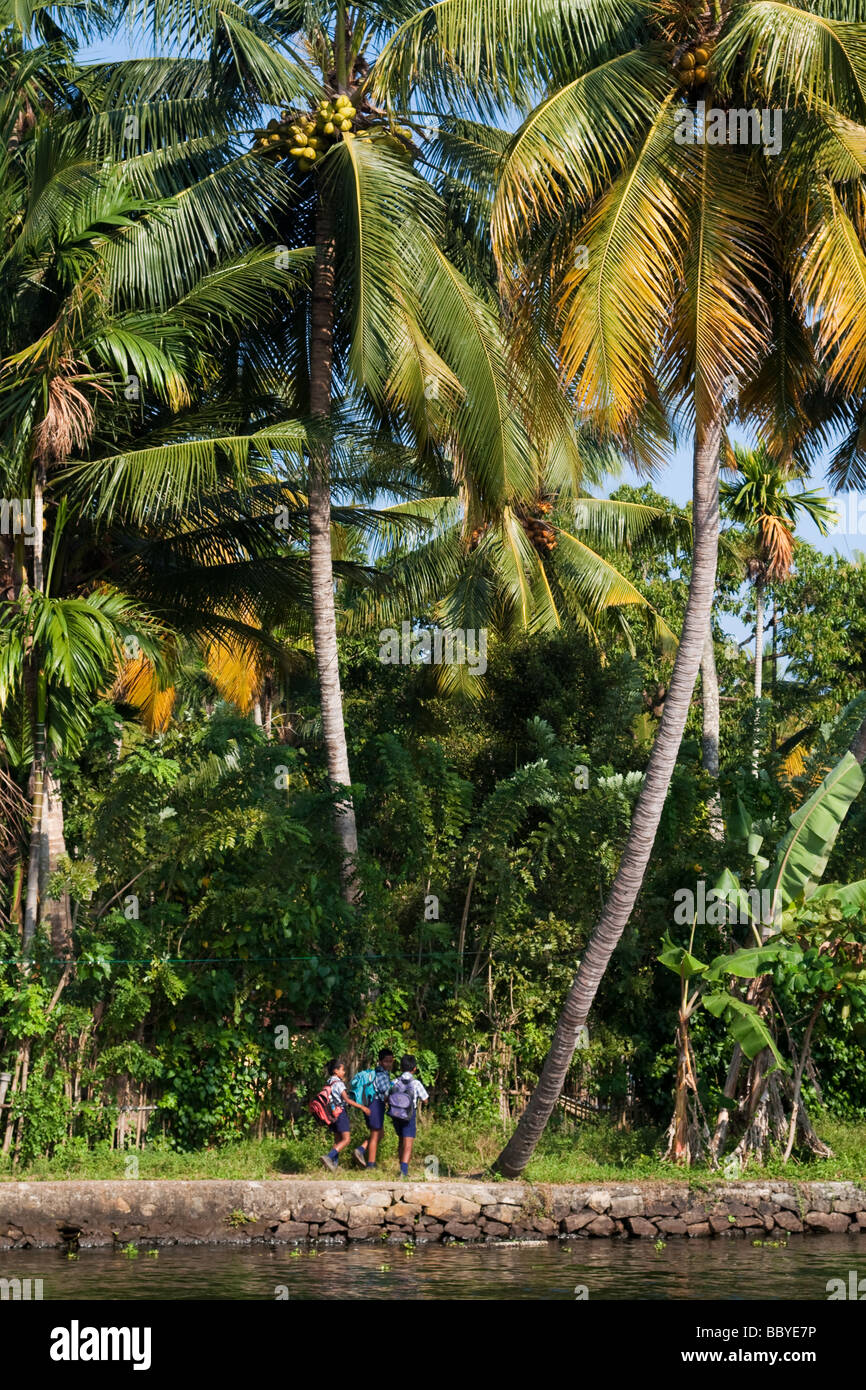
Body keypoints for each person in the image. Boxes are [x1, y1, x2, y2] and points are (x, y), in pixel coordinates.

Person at [320, 1060, 369, 1172]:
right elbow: (346, 1099)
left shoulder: (329, 1082)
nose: (344, 1072)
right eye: (342, 1070)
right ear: (335, 1071)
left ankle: (334, 1166)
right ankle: (329, 1157)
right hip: (340, 1113)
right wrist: (362, 1107)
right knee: (346, 1139)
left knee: (337, 1141)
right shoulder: (338, 1083)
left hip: (332, 1113)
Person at [351, 1048, 395, 1170]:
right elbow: (386, 1093)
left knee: (380, 1133)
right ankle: (371, 1164)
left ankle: (360, 1150)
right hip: (375, 1104)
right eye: (386, 1061)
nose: (389, 1064)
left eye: (391, 1061)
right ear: (380, 1062)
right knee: (376, 1134)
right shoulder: (382, 1075)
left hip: (371, 1104)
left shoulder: (376, 1073)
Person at [388, 1054, 428, 1178]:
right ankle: (404, 1172)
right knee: (408, 1143)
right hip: (409, 1115)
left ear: (400, 1068)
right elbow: (425, 1099)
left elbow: (386, 1096)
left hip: (395, 1115)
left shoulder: (394, 1082)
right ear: (414, 1069)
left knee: (400, 1141)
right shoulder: (415, 1083)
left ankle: (401, 1166)